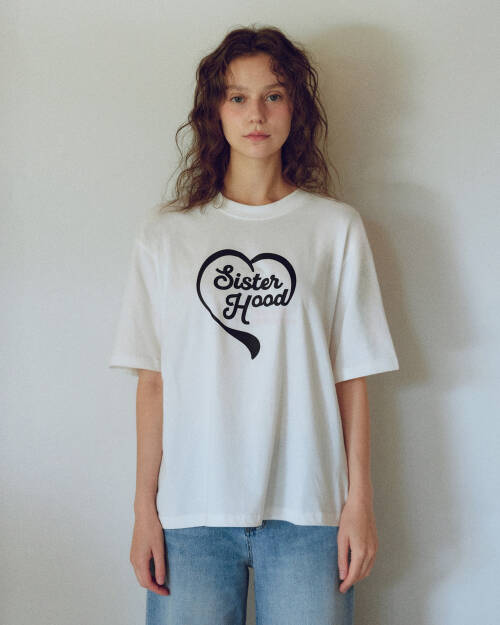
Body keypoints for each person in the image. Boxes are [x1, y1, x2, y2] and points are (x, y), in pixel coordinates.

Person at [108, 25, 399, 625]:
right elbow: (153, 382)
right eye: (237, 97)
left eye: (274, 95)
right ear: (215, 112)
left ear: (296, 107)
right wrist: (144, 511)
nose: (256, 114)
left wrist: (359, 503)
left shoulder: (334, 229)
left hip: (310, 513)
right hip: (191, 515)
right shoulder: (166, 235)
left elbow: (352, 377)